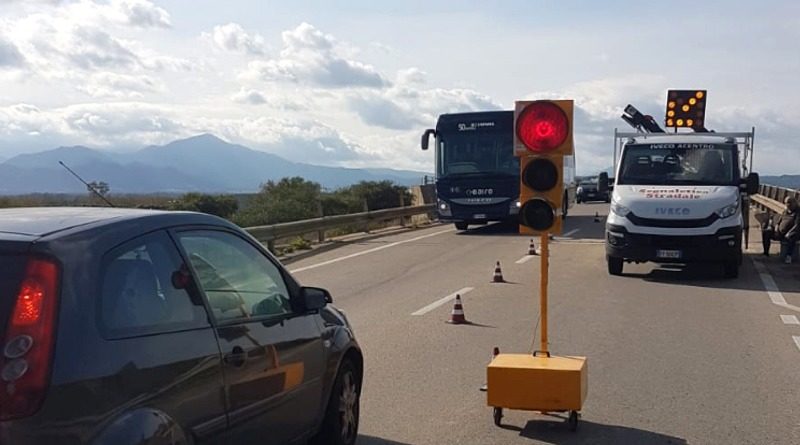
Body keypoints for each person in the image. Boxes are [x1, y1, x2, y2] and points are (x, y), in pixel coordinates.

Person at [774, 197, 800, 264]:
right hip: (781, 232)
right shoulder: (785, 211)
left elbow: (797, 225)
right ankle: (766, 253)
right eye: (786, 203)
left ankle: (789, 256)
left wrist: (789, 233)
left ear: (794, 203)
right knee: (766, 232)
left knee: (791, 236)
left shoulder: (798, 211)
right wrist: (776, 229)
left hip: (793, 232)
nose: (787, 205)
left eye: (789, 203)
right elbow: (778, 222)